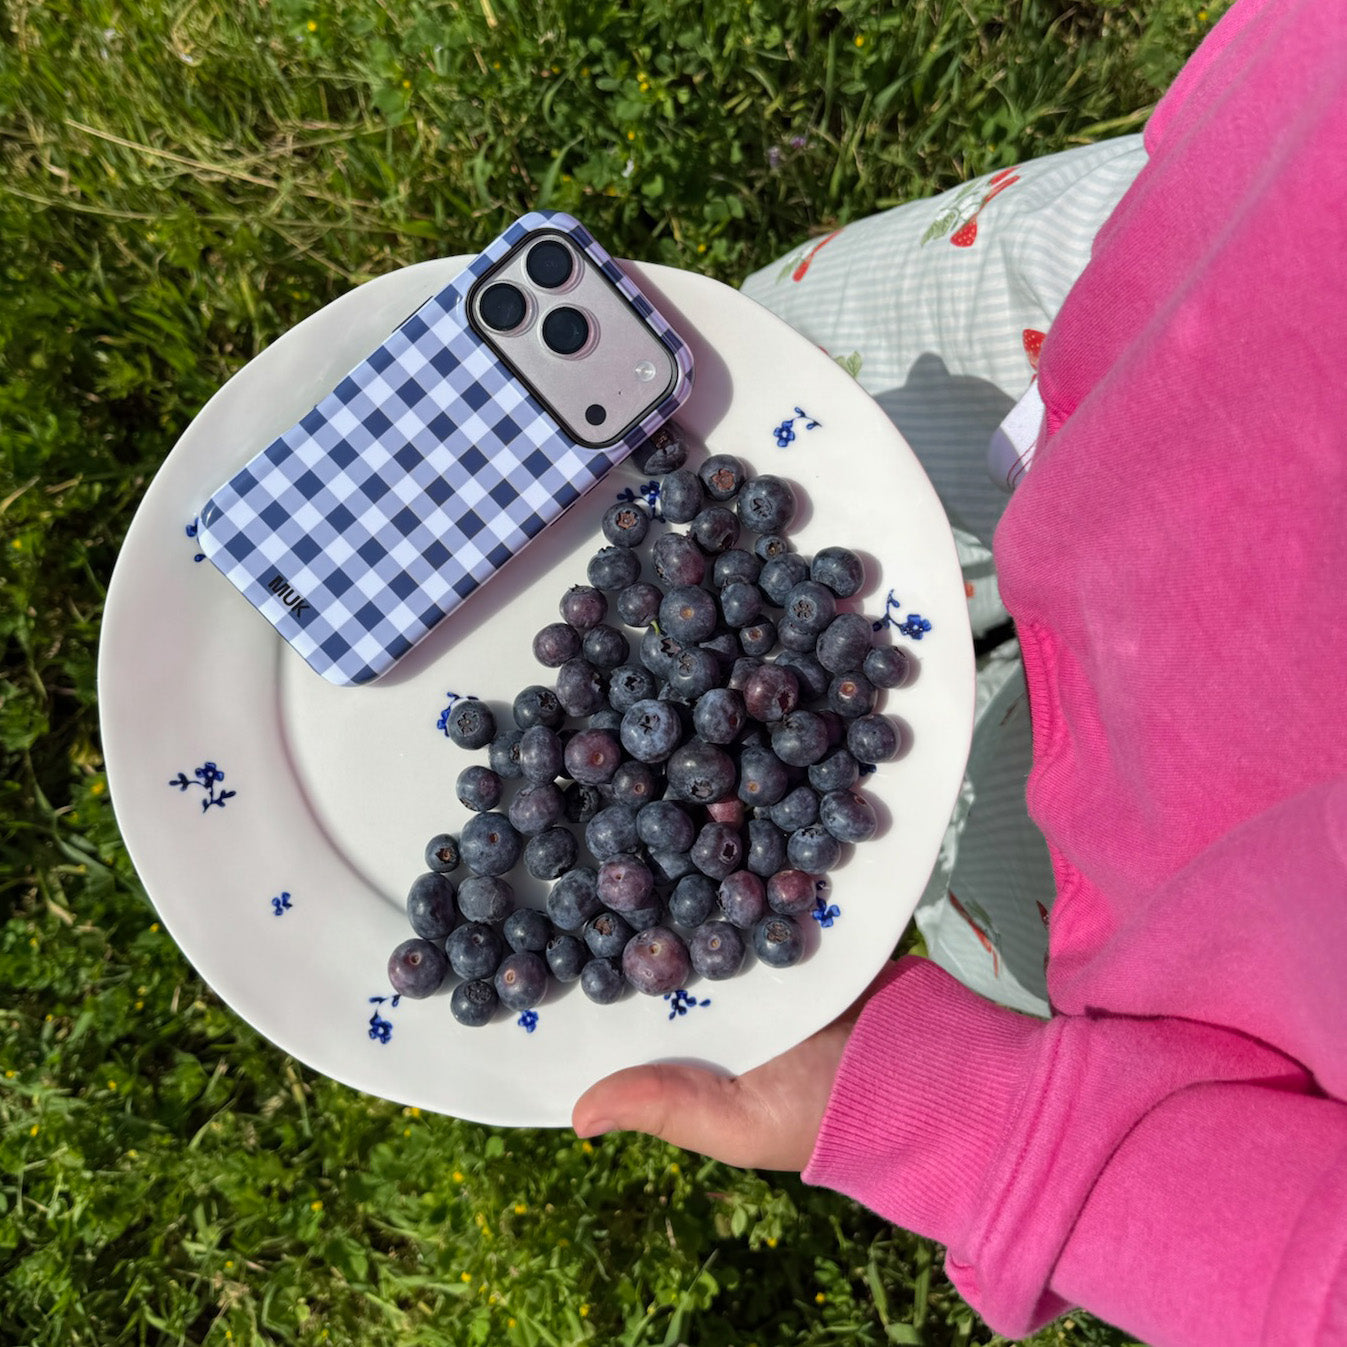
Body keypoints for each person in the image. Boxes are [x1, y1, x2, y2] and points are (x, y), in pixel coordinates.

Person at [572, 1, 1347, 1342]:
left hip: (1189, 937)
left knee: (922, 863)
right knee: (771, 388)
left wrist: (990, 1126)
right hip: (1183, 266)